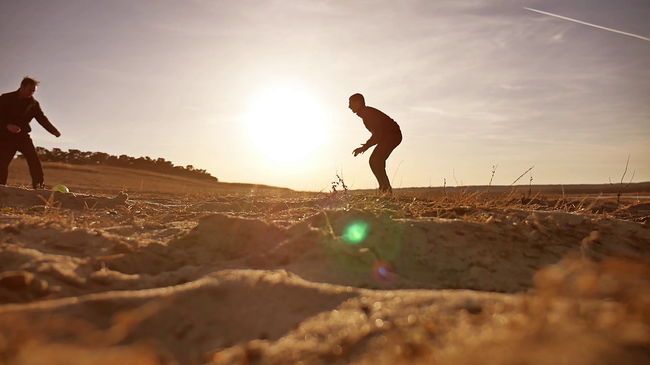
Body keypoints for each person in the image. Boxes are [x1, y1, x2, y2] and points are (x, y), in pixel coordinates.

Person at [0, 77, 61, 189]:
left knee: (34, 160)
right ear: (22, 87)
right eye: (30, 90)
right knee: (2, 162)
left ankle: (39, 186)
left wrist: (54, 131)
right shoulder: (6, 98)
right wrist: (7, 125)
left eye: (34, 91)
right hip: (5, 136)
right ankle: (1, 187)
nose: (32, 93)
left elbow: (42, 119)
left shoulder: (33, 104)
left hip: (22, 137)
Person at [349, 93, 402, 194]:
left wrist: (364, 147)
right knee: (375, 160)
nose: (349, 106)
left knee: (376, 160)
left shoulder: (367, 114)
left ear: (358, 102)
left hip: (392, 136)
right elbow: (378, 134)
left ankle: (385, 190)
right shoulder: (366, 113)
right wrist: (365, 146)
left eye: (351, 103)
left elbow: (378, 134)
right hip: (390, 136)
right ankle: (385, 189)